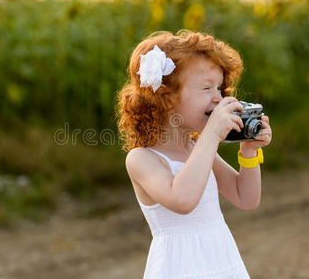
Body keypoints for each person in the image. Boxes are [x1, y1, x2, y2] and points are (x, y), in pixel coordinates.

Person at [115, 29, 272, 279]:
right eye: (206, 88)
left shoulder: (195, 148)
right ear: (166, 98)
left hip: (221, 260)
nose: (218, 99)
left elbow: (246, 198)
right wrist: (210, 136)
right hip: (179, 268)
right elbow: (182, 200)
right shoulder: (142, 159)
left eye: (220, 88)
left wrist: (249, 151)